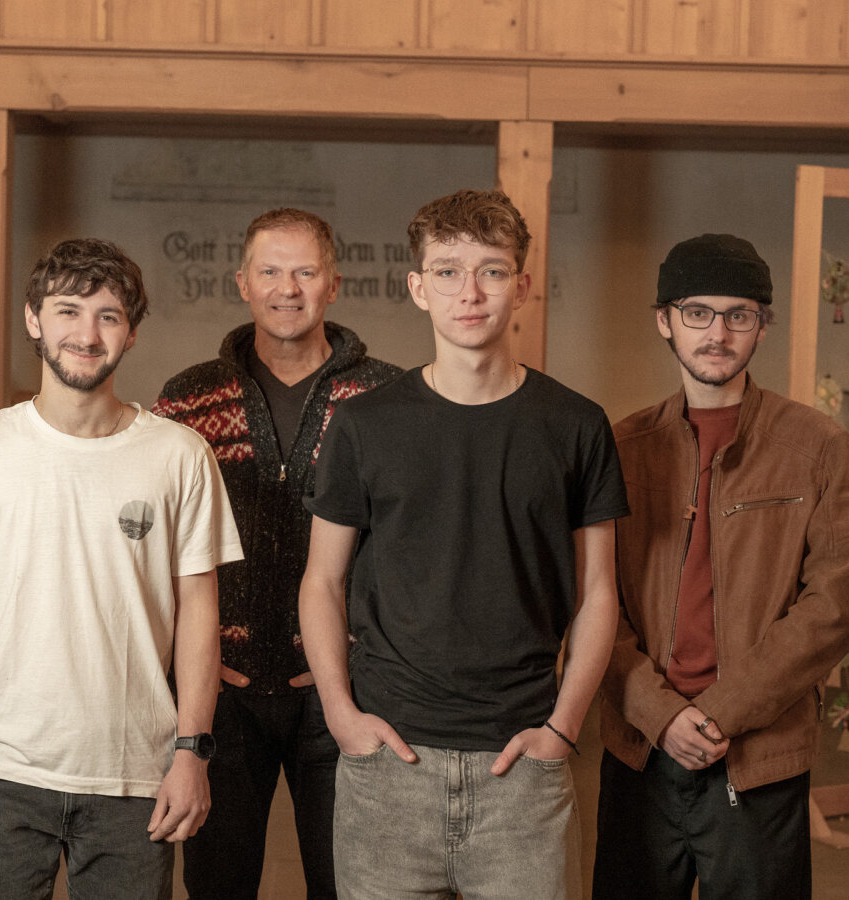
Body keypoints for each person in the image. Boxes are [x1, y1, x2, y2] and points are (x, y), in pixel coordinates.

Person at [299, 188, 630, 899]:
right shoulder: (365, 426)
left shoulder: (576, 425)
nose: (469, 291)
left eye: (492, 270)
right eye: (447, 270)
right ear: (418, 287)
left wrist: (564, 730)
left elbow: (599, 590)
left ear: (523, 286)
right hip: (389, 765)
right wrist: (340, 716)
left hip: (523, 771)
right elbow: (322, 581)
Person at [0, 238, 243, 900]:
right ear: (33, 319)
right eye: (68, 310)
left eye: (108, 315)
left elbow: (202, 611)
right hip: (2, 772)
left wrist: (192, 754)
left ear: (131, 333)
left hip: (136, 777)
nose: (86, 333)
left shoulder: (179, 454)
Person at [593, 234, 849, 900]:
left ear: (762, 326)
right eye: (698, 312)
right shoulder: (620, 446)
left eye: (738, 314)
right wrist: (660, 713)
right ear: (665, 320)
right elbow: (591, 600)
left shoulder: (819, 447)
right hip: (641, 749)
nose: (718, 332)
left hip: (759, 758)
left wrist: (719, 714)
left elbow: (833, 605)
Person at [153, 207, 400, 899]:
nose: (286, 288)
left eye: (304, 271)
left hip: (343, 694)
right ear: (242, 283)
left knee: (350, 884)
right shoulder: (188, 398)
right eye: (269, 270)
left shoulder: (386, 396)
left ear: (334, 284)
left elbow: (408, 545)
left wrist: (359, 657)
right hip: (218, 692)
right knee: (217, 886)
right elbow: (161, 546)